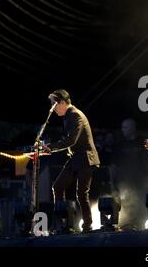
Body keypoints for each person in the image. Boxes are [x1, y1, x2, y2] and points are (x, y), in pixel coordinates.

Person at [46, 89, 100, 232]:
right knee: (58, 187)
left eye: (54, 104)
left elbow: (71, 140)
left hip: (86, 158)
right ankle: (62, 223)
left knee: (82, 193)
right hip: (76, 158)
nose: (52, 108)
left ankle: (87, 226)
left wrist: (51, 147)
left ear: (62, 102)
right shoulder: (68, 116)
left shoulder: (75, 115)